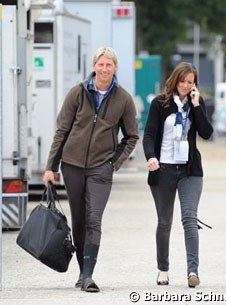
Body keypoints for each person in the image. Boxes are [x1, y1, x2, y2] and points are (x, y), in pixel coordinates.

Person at [42, 47, 139, 292]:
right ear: (94, 66)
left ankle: (88, 275)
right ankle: (82, 272)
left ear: (115, 68)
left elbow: (131, 137)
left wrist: (113, 163)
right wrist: (50, 167)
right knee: (79, 220)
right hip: (72, 165)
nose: (105, 69)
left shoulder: (124, 99)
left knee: (94, 219)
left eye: (109, 65)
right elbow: (62, 131)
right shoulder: (77, 93)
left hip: (101, 168)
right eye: (101, 64)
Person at [143, 62, 213, 288]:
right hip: (162, 169)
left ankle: (193, 271)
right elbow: (150, 134)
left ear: (195, 85)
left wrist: (196, 105)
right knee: (164, 222)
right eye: (182, 81)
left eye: (190, 82)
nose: (185, 85)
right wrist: (150, 156)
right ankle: (163, 269)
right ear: (175, 80)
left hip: (189, 171)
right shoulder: (159, 104)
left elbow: (206, 133)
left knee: (189, 219)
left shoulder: (196, 103)